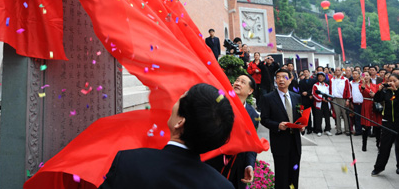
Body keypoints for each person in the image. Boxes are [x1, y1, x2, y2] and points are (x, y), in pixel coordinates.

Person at [99, 83, 235, 189]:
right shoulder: (222, 186)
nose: (174, 104)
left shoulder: (128, 162)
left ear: (180, 122)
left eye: (180, 99)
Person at [207, 74, 259, 188]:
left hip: (237, 169)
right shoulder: (218, 104)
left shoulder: (253, 115)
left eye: (243, 82)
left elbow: (251, 145)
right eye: (237, 80)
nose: (238, 83)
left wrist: (249, 166)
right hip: (213, 163)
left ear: (250, 91)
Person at [260, 69, 305, 189]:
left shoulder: (297, 97)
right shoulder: (268, 98)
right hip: (280, 142)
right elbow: (264, 119)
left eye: (284, 77)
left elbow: (301, 116)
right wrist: (277, 125)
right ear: (275, 80)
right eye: (278, 77)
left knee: (294, 175)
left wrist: (302, 127)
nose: (281, 80)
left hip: (295, 142)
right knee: (281, 176)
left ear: (290, 80)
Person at [371, 74, 399, 184]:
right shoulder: (386, 92)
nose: (391, 83)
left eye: (394, 81)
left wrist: (396, 90)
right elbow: (377, 99)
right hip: (387, 122)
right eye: (389, 81)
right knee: (384, 147)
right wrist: (380, 90)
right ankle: (378, 168)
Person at [359, 71, 381, 151]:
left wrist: (375, 95)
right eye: (364, 75)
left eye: (367, 75)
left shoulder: (374, 85)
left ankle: (378, 144)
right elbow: (363, 90)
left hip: (374, 105)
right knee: (366, 126)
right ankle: (364, 145)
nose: (366, 77)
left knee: (377, 126)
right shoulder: (361, 85)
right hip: (366, 105)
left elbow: (377, 93)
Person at [330, 67, 352, 136]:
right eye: (336, 70)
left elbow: (348, 90)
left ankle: (347, 130)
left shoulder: (345, 80)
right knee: (337, 115)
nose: (337, 71)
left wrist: (348, 100)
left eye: (339, 70)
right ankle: (339, 130)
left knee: (345, 115)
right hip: (334, 99)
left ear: (341, 72)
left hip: (343, 99)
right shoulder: (332, 80)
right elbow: (330, 89)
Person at [312, 72, 332, 137]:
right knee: (318, 117)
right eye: (319, 76)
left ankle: (327, 130)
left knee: (327, 117)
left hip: (326, 103)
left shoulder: (327, 85)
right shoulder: (315, 85)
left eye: (321, 76)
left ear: (324, 77)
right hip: (319, 103)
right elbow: (314, 94)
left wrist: (328, 99)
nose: (320, 77)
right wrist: (321, 99)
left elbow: (330, 93)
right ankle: (319, 130)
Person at [299, 69, 316, 134]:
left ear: (309, 73)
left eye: (307, 72)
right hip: (305, 99)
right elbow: (300, 90)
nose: (305, 73)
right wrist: (304, 93)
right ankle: (308, 128)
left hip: (312, 98)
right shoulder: (301, 82)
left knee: (315, 114)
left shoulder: (313, 80)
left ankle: (315, 127)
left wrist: (309, 93)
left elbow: (313, 88)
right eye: (304, 72)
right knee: (307, 115)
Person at [350, 70, 364, 136]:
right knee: (357, 118)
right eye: (353, 74)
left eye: (356, 74)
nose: (355, 75)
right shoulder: (350, 83)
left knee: (364, 117)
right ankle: (358, 131)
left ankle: (366, 131)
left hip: (363, 103)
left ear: (359, 75)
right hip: (355, 103)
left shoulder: (362, 83)